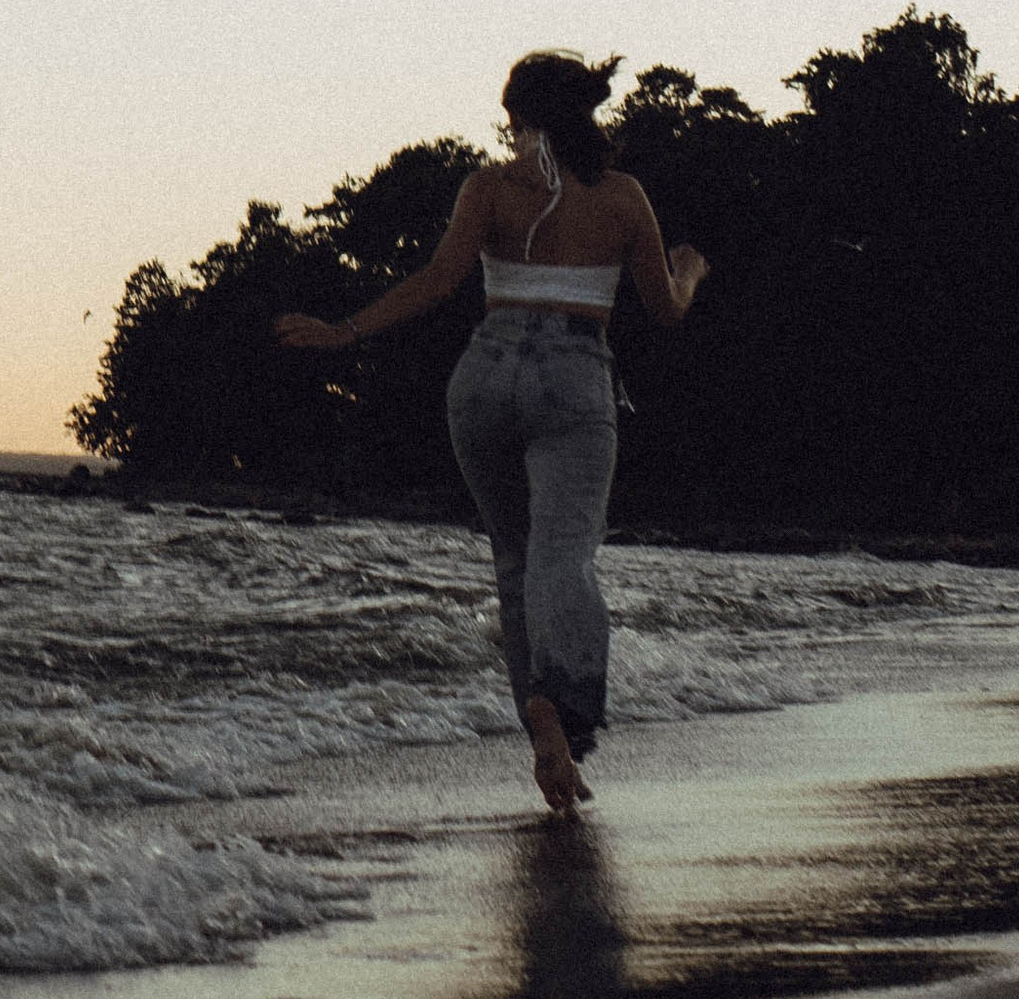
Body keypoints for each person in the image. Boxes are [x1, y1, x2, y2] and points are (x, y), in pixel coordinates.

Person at [275, 52, 709, 816]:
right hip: (574, 376)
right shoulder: (621, 197)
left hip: (483, 377)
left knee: (515, 566)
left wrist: (347, 329)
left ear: (517, 115)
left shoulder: (488, 188)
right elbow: (666, 313)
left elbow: (438, 281)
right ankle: (563, 710)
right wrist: (688, 274)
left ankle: (544, 737)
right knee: (563, 560)